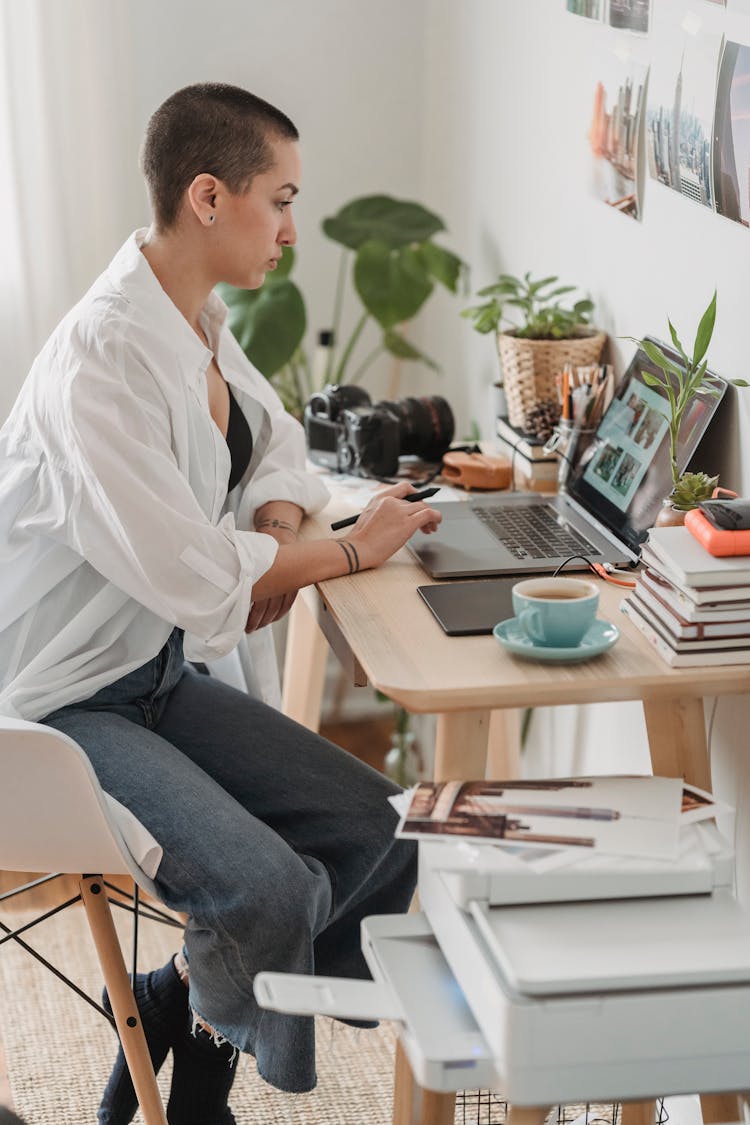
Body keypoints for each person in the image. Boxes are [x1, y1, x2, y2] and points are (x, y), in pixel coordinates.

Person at [0, 83, 442, 1124]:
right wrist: (339, 552)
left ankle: (185, 1001)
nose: (291, 227)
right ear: (208, 195)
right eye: (279, 199)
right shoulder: (103, 359)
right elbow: (194, 576)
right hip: (54, 707)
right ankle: (197, 1089)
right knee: (268, 889)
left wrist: (280, 538)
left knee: (382, 827)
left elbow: (273, 442)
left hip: (149, 673)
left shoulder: (189, 311)